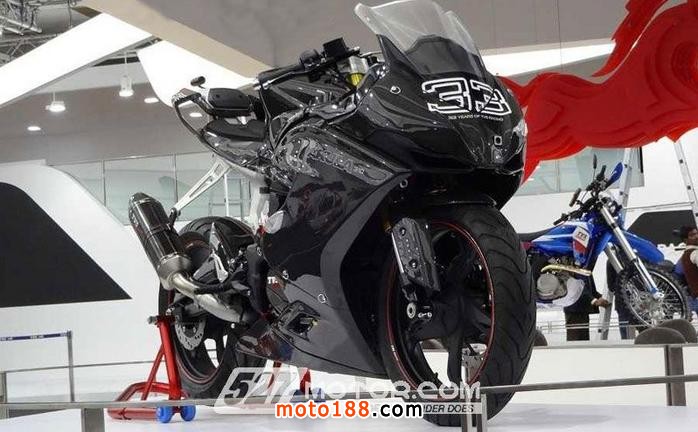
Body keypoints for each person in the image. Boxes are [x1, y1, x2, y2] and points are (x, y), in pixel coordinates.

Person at [676, 226, 698, 316]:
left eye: (697, 233)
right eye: (692, 235)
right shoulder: (694, 253)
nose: (696, 236)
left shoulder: (685, 255)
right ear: (685, 240)